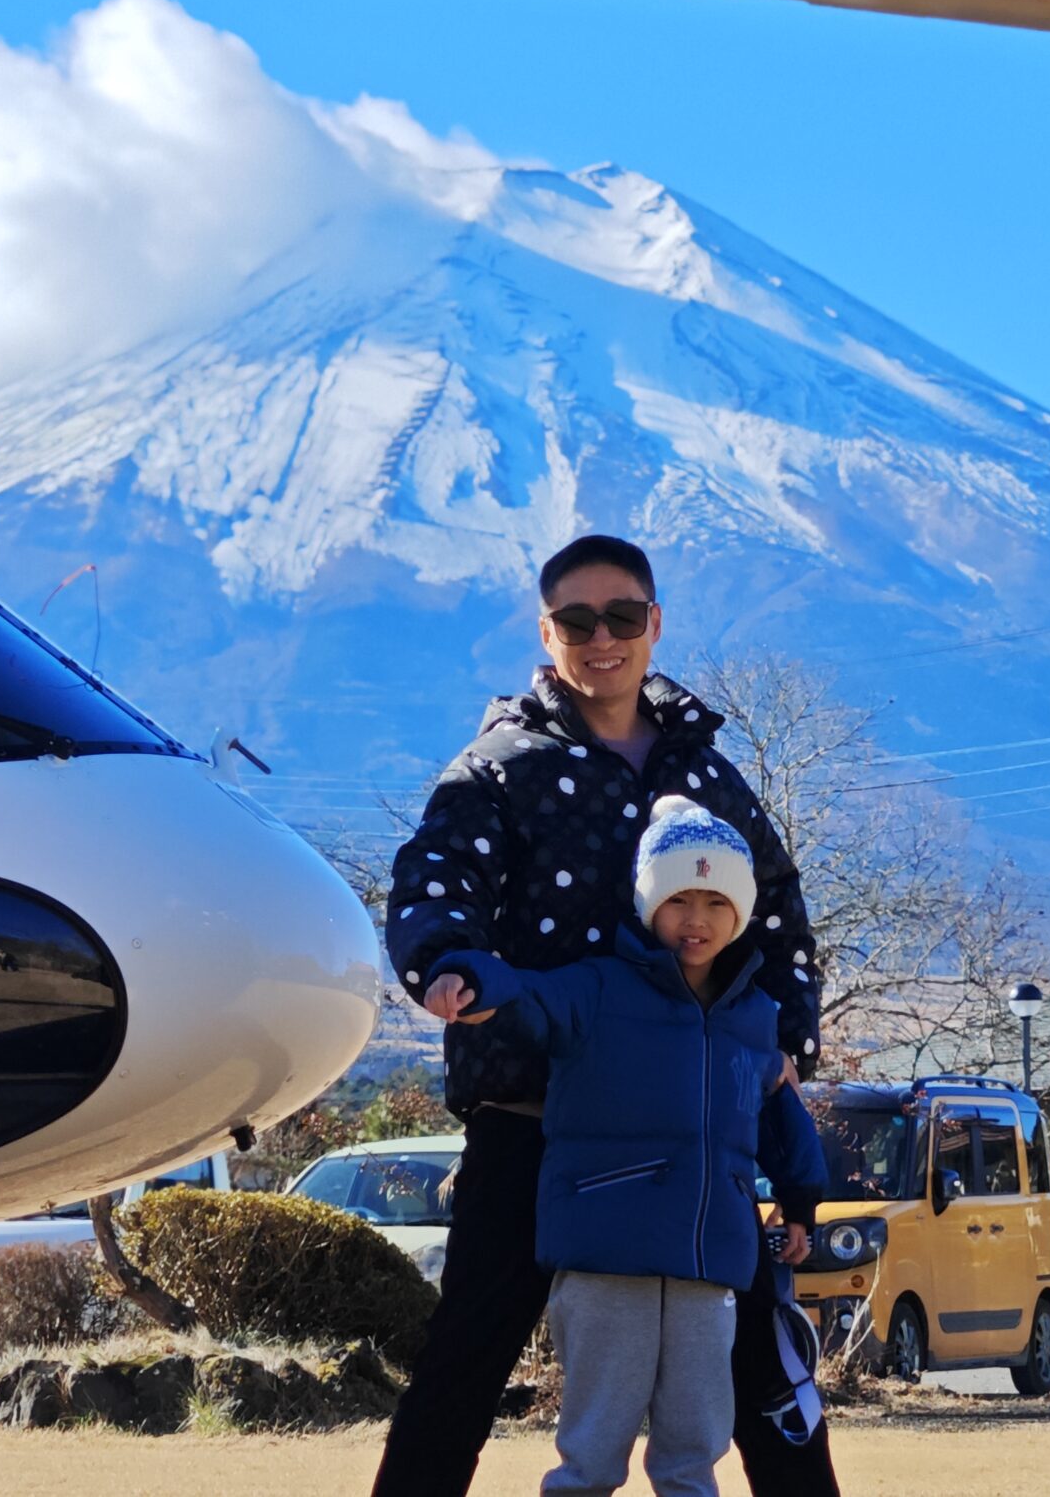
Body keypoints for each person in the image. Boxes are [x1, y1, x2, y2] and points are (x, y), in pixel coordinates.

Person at [372, 533, 836, 1497]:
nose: (602, 638)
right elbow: (436, 874)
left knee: (762, 1376)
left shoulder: (710, 776)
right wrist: (445, 962)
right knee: (463, 1364)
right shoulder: (500, 766)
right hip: (533, 1122)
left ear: (654, 624)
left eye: (622, 616)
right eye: (577, 621)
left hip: (694, 1135)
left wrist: (783, 1036)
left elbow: (780, 906)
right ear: (548, 634)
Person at [419, 796, 828, 1496]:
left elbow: (776, 1115)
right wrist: (472, 977)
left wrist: (799, 1202)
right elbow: (527, 996)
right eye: (677, 899)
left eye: (713, 900)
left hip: (708, 1270)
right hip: (609, 1263)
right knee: (592, 1453)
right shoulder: (598, 988)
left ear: (740, 910)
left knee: (693, 1454)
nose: (694, 919)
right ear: (647, 903)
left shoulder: (755, 1017)